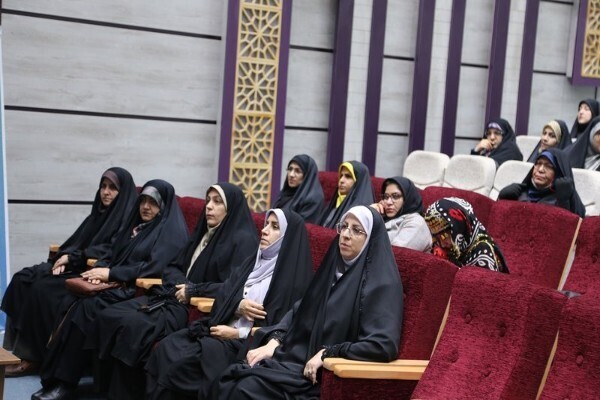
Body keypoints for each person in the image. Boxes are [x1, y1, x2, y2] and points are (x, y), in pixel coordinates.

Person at [208, 206, 403, 400]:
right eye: (343, 226)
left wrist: (329, 353)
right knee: (228, 379)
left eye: (356, 230)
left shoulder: (381, 285)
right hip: (294, 361)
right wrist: (275, 341)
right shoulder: (332, 269)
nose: (345, 235)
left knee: (243, 389)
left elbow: (382, 345)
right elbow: (299, 310)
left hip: (324, 377)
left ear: (370, 238)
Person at [89, 183, 259, 400]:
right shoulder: (204, 231)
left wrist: (193, 290)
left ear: (231, 208)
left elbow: (232, 288)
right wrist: (183, 284)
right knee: (110, 315)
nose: (209, 206)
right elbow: (171, 267)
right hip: (171, 296)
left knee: (134, 328)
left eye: (217, 202)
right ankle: (105, 389)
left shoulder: (243, 241)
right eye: (208, 200)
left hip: (194, 309)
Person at [31, 179, 189, 400]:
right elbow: (112, 252)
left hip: (138, 291)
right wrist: (99, 269)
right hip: (116, 285)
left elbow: (154, 268)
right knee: (70, 300)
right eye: (143, 200)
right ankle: (53, 378)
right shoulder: (136, 227)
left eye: (153, 202)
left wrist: (111, 274)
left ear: (163, 206)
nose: (145, 207)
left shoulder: (170, 234)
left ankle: (64, 382)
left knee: (86, 309)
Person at [145, 209, 313, 400]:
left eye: (274, 227)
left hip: (245, 345)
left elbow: (282, 330)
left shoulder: (294, 281)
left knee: (181, 364)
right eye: (266, 224)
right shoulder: (254, 262)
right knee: (167, 348)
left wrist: (237, 333)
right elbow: (225, 291)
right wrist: (238, 305)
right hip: (220, 332)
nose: (264, 230)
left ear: (288, 237)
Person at [0, 167, 137, 377]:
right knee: (23, 278)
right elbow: (77, 241)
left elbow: (110, 251)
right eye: (103, 186)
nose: (105, 192)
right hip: (77, 265)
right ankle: (13, 351)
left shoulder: (127, 221)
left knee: (43, 289)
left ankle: (34, 357)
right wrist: (65, 256)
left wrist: (73, 258)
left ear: (123, 193)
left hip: (92, 272)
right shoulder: (98, 215)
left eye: (112, 188)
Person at [424, 197, 508, 273]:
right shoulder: (448, 247)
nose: (442, 244)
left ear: (459, 227)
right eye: (437, 238)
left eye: (444, 236)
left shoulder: (483, 252)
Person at [500, 148, 585, 217]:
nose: (540, 170)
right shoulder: (520, 194)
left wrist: (564, 202)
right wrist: (502, 199)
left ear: (558, 173)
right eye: (538, 163)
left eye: (549, 166)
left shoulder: (562, 200)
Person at [370, 176, 431, 252]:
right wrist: (370, 213)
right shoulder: (382, 217)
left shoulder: (416, 222)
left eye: (395, 196)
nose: (388, 202)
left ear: (407, 198)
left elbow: (396, 254)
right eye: (386, 197)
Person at [317, 160, 374, 228]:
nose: (341, 180)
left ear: (358, 181)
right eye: (341, 175)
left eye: (348, 176)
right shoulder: (335, 202)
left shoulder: (361, 210)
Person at [272, 154, 324, 223]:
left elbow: (301, 225)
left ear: (307, 175)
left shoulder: (313, 199)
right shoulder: (286, 193)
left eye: (297, 171)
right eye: (290, 169)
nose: (291, 175)